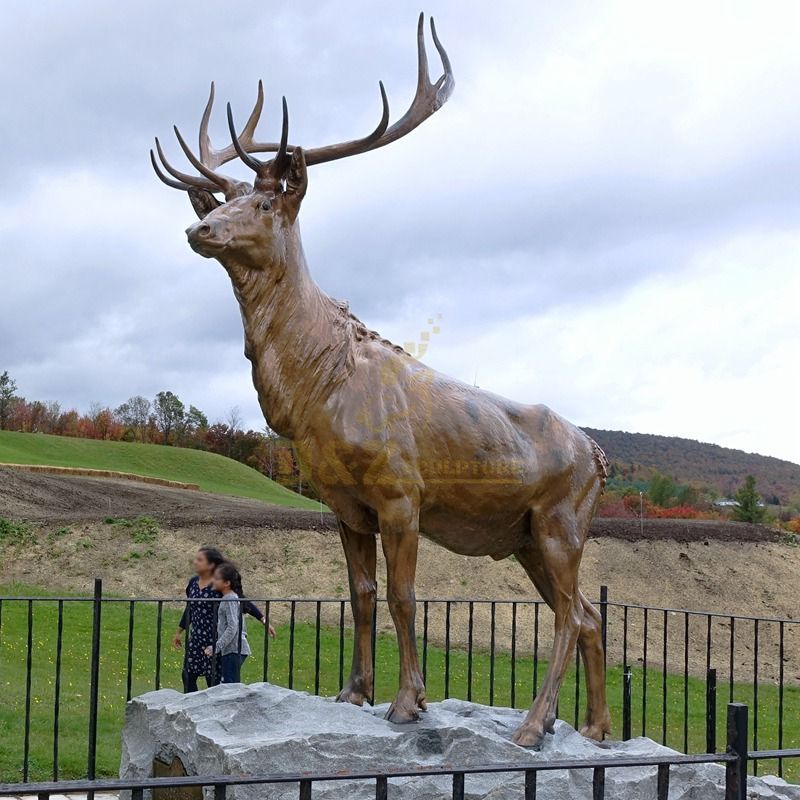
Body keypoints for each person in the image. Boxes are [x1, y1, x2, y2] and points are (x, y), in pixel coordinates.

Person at [171, 547, 275, 692]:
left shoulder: (218, 584)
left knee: (212, 680)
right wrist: (179, 631)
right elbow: (190, 608)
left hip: (216, 639)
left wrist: (263, 620)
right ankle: (191, 709)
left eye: (200, 560)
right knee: (188, 675)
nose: (195, 562)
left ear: (211, 565)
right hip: (196, 638)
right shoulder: (193, 583)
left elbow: (241, 601)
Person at [204, 562, 251, 683]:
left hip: (234, 649)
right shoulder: (228, 598)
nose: (213, 580)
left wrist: (216, 647)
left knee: (231, 689)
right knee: (229, 685)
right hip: (230, 650)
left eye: (217, 578)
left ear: (227, 583)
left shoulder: (230, 598)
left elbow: (232, 626)